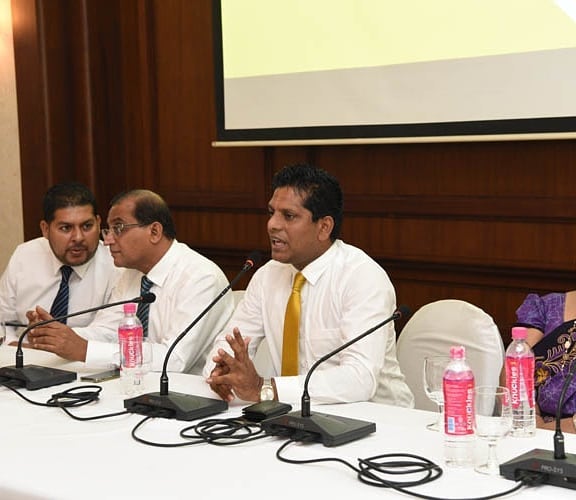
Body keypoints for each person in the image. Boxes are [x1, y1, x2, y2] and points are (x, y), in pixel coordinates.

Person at [204, 163, 414, 407]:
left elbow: (360, 378)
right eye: (271, 212)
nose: (273, 224)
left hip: (378, 421)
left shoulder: (362, 277)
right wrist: (222, 372)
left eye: (289, 216)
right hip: (294, 415)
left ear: (324, 227)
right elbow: (229, 345)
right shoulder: (266, 276)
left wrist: (266, 389)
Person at [26, 189, 234, 374]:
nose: (107, 240)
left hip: (189, 397)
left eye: (119, 228)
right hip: (137, 388)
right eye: (108, 230)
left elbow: (174, 359)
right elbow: (107, 330)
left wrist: (83, 349)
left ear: (154, 232)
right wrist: (56, 336)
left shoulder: (200, 278)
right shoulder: (132, 274)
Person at [0, 182, 118, 344]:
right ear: (45, 229)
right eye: (66, 228)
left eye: (87, 226)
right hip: (23, 360)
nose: (78, 237)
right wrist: (20, 348)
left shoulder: (116, 265)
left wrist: (47, 335)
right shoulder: (25, 255)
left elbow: (111, 333)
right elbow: (2, 322)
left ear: (98, 223)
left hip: (85, 366)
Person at [515, 291, 576, 433]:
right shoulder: (545, 307)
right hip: (529, 426)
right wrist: (532, 417)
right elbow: (514, 364)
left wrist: (547, 430)